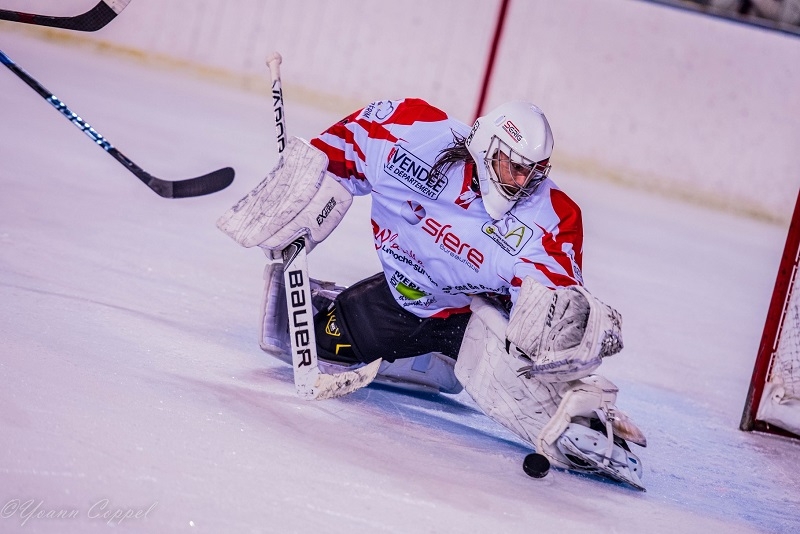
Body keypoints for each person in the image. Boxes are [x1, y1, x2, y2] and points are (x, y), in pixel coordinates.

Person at [218, 98, 647, 489]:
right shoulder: (409, 135)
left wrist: (565, 372)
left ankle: (563, 412)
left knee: (535, 398)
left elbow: (547, 314)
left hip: (471, 323)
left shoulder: (550, 218)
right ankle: (413, 351)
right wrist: (305, 189)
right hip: (402, 300)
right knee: (314, 339)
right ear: (484, 147)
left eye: (534, 171)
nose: (522, 181)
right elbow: (338, 151)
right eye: (513, 166)